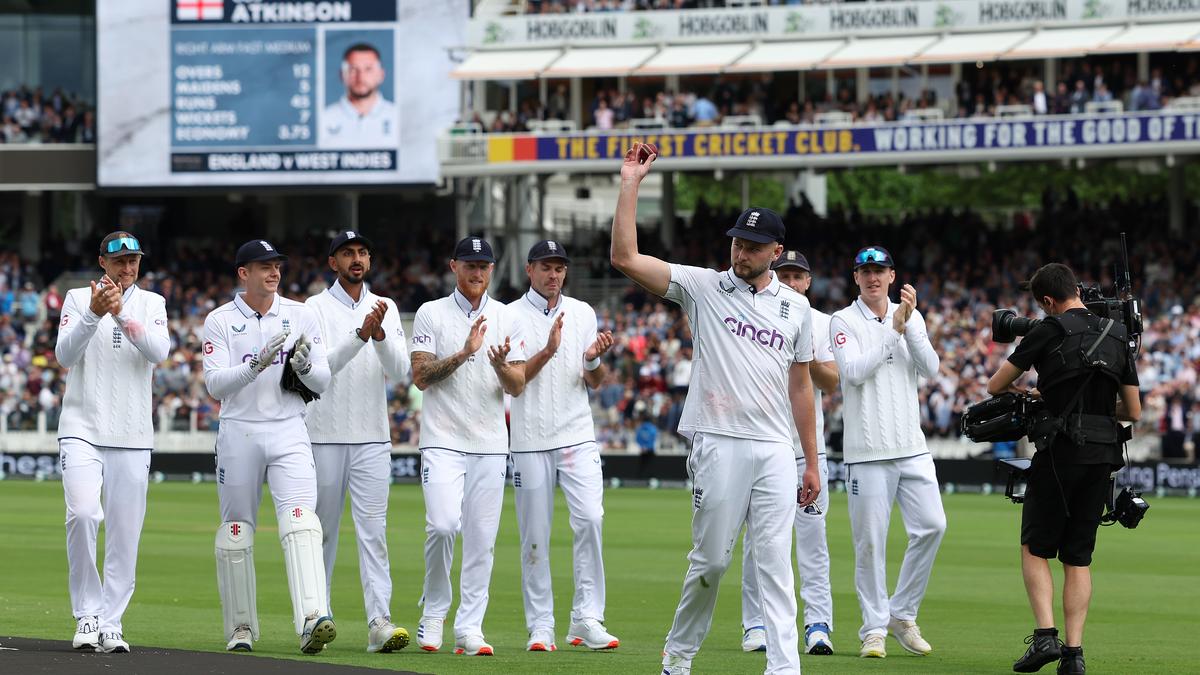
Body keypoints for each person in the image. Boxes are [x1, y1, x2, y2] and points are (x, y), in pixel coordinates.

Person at [611, 142, 821, 675]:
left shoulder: (797, 307)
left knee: (775, 564)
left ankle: (784, 667)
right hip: (718, 439)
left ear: (776, 251)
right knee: (711, 562)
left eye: (752, 246)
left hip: (776, 448)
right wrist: (630, 184)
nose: (740, 252)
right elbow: (625, 259)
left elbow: (801, 387)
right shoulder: (703, 287)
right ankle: (677, 658)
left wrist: (811, 460)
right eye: (737, 242)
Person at [986, 263, 1140, 675]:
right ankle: (1074, 655)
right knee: (1078, 559)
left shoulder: (1047, 330)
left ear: (1048, 301)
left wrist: (1042, 392)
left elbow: (996, 386)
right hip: (1103, 453)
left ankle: (1044, 637)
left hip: (1058, 452)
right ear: (1077, 289)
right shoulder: (1117, 334)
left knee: (1035, 548)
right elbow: (1135, 410)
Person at [202, 239, 335, 655]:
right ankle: (241, 627)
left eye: (277, 265)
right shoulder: (220, 320)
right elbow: (214, 383)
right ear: (244, 273)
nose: (274, 272)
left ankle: (312, 620)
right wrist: (255, 363)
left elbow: (324, 380)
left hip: (288, 429)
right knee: (236, 533)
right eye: (264, 267)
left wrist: (307, 367)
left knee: (301, 523)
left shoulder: (301, 313)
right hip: (239, 431)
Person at [410, 236, 526, 657]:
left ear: (492, 270)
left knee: (482, 539)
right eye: (470, 264)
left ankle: (470, 627)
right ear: (454, 266)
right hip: (442, 439)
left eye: (484, 265)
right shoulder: (431, 312)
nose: (477, 272)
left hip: (491, 442)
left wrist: (498, 366)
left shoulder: (507, 316)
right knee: (442, 525)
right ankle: (434, 611)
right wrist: (464, 353)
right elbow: (420, 377)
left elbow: (518, 383)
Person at [829, 245, 945, 659]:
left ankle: (902, 614)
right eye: (866, 271)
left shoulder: (910, 317)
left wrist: (908, 324)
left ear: (892, 276)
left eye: (880, 270)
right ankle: (873, 629)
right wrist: (893, 330)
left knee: (933, 526)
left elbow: (931, 369)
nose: (873, 277)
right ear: (856, 277)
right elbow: (855, 373)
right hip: (866, 452)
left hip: (912, 447)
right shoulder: (842, 321)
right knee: (870, 544)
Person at [56, 232, 170, 654]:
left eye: (134, 261)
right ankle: (87, 613)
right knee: (84, 514)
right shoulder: (74, 298)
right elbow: (64, 356)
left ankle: (111, 622)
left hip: (133, 434)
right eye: (119, 261)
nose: (127, 269)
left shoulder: (152, 303)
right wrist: (92, 313)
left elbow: (158, 351)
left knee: (125, 534)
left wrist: (120, 314)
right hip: (81, 427)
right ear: (102, 262)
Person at [507, 240, 619, 653]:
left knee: (590, 520)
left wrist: (591, 359)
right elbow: (515, 381)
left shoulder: (583, 313)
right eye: (546, 267)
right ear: (529, 269)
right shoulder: (510, 316)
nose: (553, 275)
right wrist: (549, 350)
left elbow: (594, 380)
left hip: (577, 433)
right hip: (530, 439)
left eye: (559, 268)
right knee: (534, 536)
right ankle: (540, 625)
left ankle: (586, 618)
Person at [305, 231, 410, 653]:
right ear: (333, 262)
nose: (357, 259)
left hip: (371, 437)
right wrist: (361, 335)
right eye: (348, 253)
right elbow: (319, 369)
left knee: (374, 534)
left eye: (363, 252)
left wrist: (381, 335)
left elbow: (401, 371)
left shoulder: (386, 306)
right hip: (323, 434)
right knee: (321, 533)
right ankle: (315, 618)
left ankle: (378, 622)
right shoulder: (312, 308)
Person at [740, 251, 838, 657]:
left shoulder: (820, 322)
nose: (793, 282)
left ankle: (818, 624)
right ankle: (755, 623)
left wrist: (806, 352)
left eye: (799, 276)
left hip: (805, 450)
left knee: (813, 538)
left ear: (809, 281)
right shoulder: (756, 312)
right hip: (762, 442)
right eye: (787, 275)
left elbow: (830, 382)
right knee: (757, 541)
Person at [320, 43, 397, 149]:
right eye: (353, 69)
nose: (360, 77)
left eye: (368, 69)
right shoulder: (323, 119)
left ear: (381, 75)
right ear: (342, 75)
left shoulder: (397, 117)